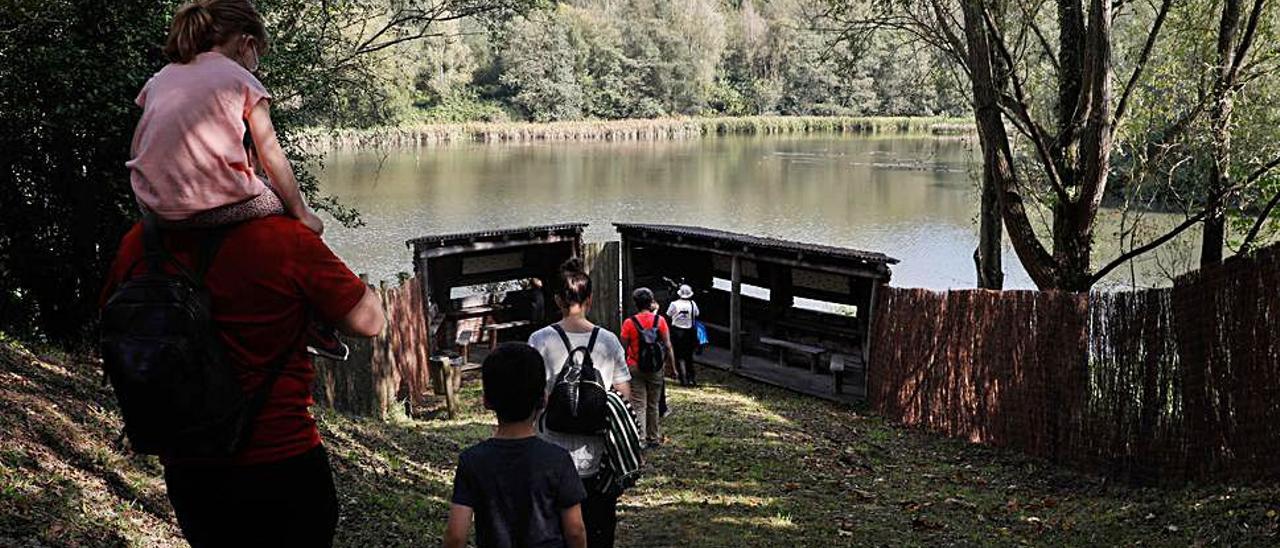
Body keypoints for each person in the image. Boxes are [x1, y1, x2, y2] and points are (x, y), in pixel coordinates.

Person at [100, 217, 385, 547]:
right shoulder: (281, 238)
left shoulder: (142, 241)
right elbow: (369, 320)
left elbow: (112, 320)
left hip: (191, 470)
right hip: (282, 459)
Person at [127, 0, 323, 234]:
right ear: (246, 43)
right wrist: (302, 214)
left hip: (152, 207)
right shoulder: (242, 79)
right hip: (209, 211)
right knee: (278, 199)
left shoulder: (161, 77)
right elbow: (271, 155)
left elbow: (137, 148)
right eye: (256, 53)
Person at [528, 259, 632, 548]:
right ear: (590, 299)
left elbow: (532, 397)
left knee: (554, 532)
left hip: (550, 453)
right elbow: (624, 395)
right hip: (597, 459)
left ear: (557, 300)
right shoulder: (608, 341)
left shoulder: (539, 340)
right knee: (598, 528)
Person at [444, 343, 588, 548]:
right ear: (543, 399)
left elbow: (456, 536)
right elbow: (575, 530)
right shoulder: (558, 459)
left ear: (486, 401)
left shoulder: (472, 461)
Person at [619, 288, 675, 449]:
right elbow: (668, 345)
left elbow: (622, 347)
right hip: (656, 367)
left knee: (639, 403)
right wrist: (672, 366)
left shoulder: (629, 323)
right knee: (653, 403)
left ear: (635, 303)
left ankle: (640, 438)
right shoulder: (660, 321)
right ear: (651, 301)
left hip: (635, 366)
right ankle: (653, 437)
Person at [666, 284, 702, 387]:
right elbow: (697, 314)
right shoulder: (692, 304)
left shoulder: (674, 304)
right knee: (688, 357)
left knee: (677, 356)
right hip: (689, 332)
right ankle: (691, 378)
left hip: (677, 331)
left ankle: (682, 378)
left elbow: (669, 314)